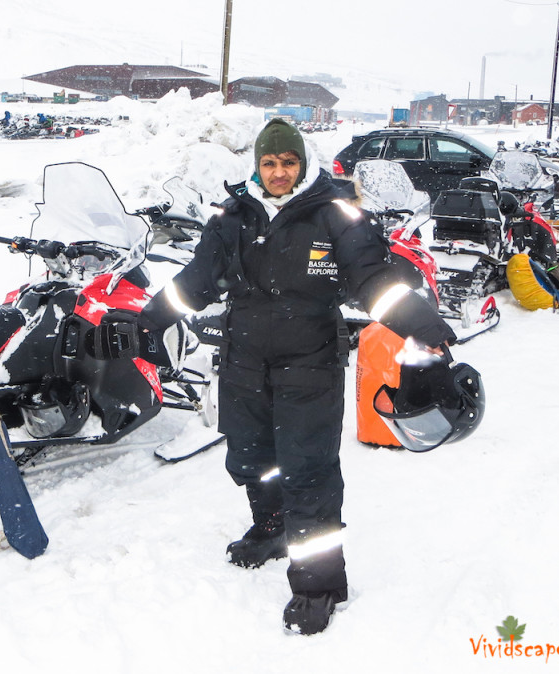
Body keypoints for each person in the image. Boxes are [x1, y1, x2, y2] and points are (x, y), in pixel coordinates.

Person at [134, 118, 456, 635]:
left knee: (309, 474)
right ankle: (271, 527)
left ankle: (320, 584)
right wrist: (148, 321)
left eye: (288, 163)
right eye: (269, 163)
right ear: (256, 167)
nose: (278, 172)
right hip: (242, 364)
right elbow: (197, 280)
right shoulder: (233, 216)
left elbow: (374, 281)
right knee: (251, 458)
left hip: (310, 366)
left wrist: (419, 321)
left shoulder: (336, 217)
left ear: (303, 166)